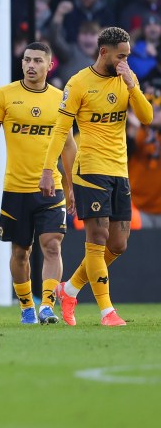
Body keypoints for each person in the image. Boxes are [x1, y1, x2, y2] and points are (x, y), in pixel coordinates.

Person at [40, 27, 154, 326]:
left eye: (128, 56)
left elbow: (146, 118)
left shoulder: (126, 79)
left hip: (120, 170)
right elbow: (61, 130)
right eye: (121, 55)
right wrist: (48, 170)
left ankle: (70, 288)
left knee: (118, 245)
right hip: (89, 169)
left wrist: (132, 86)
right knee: (97, 236)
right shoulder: (78, 83)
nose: (125, 61)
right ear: (104, 52)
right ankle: (107, 311)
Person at [0, 42, 78, 325]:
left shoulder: (61, 100)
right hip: (15, 189)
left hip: (51, 188)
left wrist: (71, 186)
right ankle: (26, 307)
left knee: (52, 245)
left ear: (50, 66)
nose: (30, 65)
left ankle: (47, 306)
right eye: (27, 60)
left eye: (37, 60)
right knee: (20, 252)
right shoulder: (5, 95)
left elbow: (69, 145)